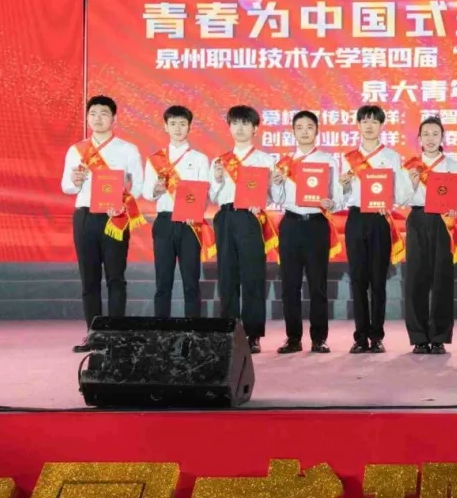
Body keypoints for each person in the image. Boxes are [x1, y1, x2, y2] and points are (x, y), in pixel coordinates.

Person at [61, 95, 144, 352]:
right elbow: (66, 186)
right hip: (85, 216)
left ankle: (116, 335)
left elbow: (138, 185)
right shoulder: (77, 150)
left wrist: (122, 203)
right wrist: (75, 181)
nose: (98, 118)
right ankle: (94, 334)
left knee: (115, 277)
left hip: (114, 217)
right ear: (87, 118)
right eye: (93, 113)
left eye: (104, 113)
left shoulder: (127, 149)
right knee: (89, 279)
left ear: (114, 118)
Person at [209, 105, 281, 354]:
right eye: (235, 123)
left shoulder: (266, 160)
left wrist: (275, 184)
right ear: (229, 127)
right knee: (227, 275)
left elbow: (275, 197)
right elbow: (211, 196)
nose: (239, 128)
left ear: (255, 128)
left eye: (245, 123)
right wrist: (218, 179)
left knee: (252, 275)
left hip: (251, 218)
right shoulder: (219, 161)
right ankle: (229, 330)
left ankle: (253, 334)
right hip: (226, 217)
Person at [340, 105, 412, 354]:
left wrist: (391, 200)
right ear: (358, 125)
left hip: (380, 219)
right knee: (358, 279)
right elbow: (340, 198)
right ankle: (360, 337)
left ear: (381, 126)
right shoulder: (348, 158)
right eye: (365, 121)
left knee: (378, 280)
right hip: (356, 218)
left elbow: (400, 194)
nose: (369, 126)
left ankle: (377, 336)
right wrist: (343, 185)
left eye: (374, 122)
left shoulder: (391, 156)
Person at [272, 111, 343, 355]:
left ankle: (319, 338)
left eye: (309, 127)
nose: (304, 131)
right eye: (299, 127)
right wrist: (277, 184)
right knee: (289, 285)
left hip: (316, 224)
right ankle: (293, 338)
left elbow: (337, 198)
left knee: (317, 284)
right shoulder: (284, 163)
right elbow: (276, 198)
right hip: (291, 223)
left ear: (317, 130)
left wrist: (331, 203)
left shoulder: (328, 160)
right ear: (293, 131)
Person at [143, 105, 212, 319]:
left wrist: (196, 210)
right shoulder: (155, 159)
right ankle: (161, 330)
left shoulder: (200, 158)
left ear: (190, 127)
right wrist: (156, 189)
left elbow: (205, 194)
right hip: (164, 222)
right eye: (173, 124)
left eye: (182, 124)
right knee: (163, 281)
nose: (178, 128)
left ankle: (193, 329)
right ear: (165, 126)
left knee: (191, 281)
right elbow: (146, 193)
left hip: (190, 224)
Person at [401, 116, 457, 355]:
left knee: (442, 279)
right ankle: (418, 337)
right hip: (417, 219)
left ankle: (439, 337)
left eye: (436, 134)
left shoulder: (452, 165)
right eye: (426, 134)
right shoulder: (410, 166)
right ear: (419, 138)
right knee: (416, 279)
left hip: (442, 223)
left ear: (443, 137)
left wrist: (454, 207)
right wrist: (412, 185)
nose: (431, 138)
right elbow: (400, 199)